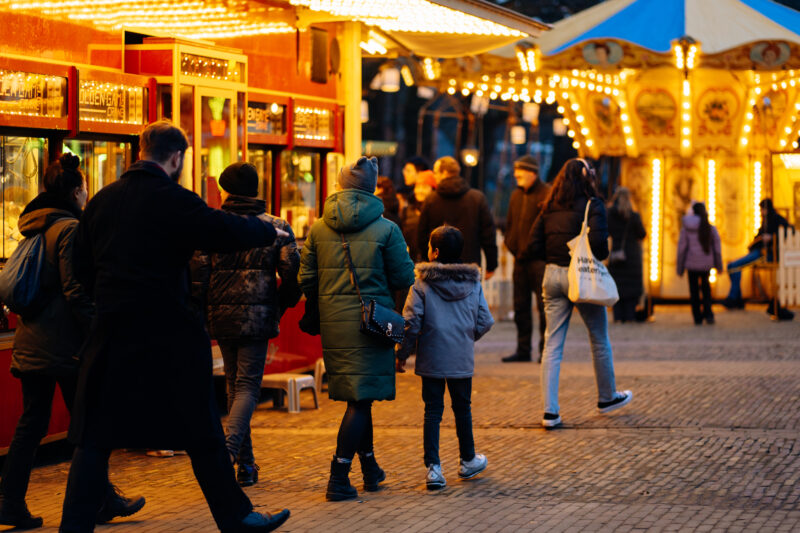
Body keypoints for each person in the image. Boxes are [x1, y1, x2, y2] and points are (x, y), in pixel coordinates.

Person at [61, 122, 291, 533]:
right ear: (176, 158)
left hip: (111, 333)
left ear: (141, 150)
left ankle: (74, 526)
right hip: (168, 334)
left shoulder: (101, 201)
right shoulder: (173, 199)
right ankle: (237, 517)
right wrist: (266, 229)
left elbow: (79, 268)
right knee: (202, 431)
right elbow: (222, 229)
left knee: (94, 438)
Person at [0, 154, 144, 530]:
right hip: (64, 346)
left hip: (31, 341)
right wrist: (99, 326)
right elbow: (75, 289)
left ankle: (9, 502)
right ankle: (101, 500)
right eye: (84, 189)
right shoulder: (67, 230)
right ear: (77, 191)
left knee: (31, 423)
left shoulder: (33, 228)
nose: (86, 195)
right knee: (90, 424)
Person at [298, 156, 415, 502]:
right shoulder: (387, 229)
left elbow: (305, 277)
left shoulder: (319, 228)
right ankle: (338, 476)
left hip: (335, 324)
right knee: (360, 401)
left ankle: (370, 468)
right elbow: (404, 276)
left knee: (358, 396)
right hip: (372, 322)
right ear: (371, 187)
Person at [192, 162, 301, 487]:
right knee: (248, 387)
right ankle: (229, 453)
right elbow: (291, 270)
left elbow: (198, 277)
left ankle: (247, 465)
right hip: (258, 317)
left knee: (233, 384)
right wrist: (281, 304)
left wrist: (202, 310)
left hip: (221, 317)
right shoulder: (275, 225)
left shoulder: (211, 227)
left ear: (226, 191)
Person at [524, 158, 633, 428]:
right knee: (598, 337)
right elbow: (598, 243)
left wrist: (549, 265)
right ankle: (607, 397)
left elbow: (531, 246)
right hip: (581, 276)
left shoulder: (548, 207)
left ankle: (550, 412)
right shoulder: (592, 204)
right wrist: (601, 254)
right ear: (586, 176)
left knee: (552, 344)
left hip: (552, 275)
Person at [397, 225, 494, 490]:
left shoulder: (421, 283)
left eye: (429, 246)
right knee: (463, 409)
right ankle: (468, 460)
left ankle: (433, 469)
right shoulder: (473, 282)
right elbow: (485, 320)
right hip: (461, 358)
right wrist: (464, 338)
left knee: (432, 412)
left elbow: (410, 322)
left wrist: (403, 354)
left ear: (435, 252)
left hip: (432, 358)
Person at [503, 155, 550, 363]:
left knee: (543, 308)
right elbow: (510, 224)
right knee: (520, 307)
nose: (516, 176)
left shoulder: (547, 194)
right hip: (519, 260)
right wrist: (512, 245)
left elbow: (549, 228)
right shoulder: (515, 196)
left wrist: (536, 249)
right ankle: (523, 349)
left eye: (520, 173)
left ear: (532, 173)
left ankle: (544, 350)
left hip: (539, 261)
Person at [417, 156, 497, 279]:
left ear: (444, 172)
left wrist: (426, 260)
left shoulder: (431, 200)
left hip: (438, 270)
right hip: (469, 268)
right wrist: (491, 265)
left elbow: (422, 235)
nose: (434, 177)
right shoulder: (477, 198)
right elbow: (488, 235)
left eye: (436, 173)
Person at [723, 199, 792, 310]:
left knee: (735, 267)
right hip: (758, 251)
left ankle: (733, 297)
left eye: (762, 209)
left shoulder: (777, 220)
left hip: (766, 253)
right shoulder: (765, 221)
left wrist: (772, 237)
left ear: (767, 209)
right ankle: (737, 298)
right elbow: (759, 236)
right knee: (731, 266)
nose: (761, 212)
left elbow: (790, 231)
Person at [677, 202, 722, 325]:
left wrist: (680, 268)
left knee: (694, 291)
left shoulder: (686, 228)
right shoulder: (710, 227)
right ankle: (709, 314)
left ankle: (697, 317)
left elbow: (682, 248)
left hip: (691, 264)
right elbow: (717, 248)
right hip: (706, 264)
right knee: (706, 289)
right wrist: (719, 265)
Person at [606, 187, 647, 323]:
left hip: (616, 255)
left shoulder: (610, 215)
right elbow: (642, 234)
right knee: (631, 290)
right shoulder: (634, 216)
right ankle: (630, 316)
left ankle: (618, 317)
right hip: (632, 256)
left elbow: (607, 231)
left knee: (617, 287)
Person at [400, 169, 436, 263]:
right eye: (417, 187)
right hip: (409, 261)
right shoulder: (407, 210)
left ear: (432, 189)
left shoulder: (436, 211)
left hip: (430, 262)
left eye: (424, 187)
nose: (420, 191)